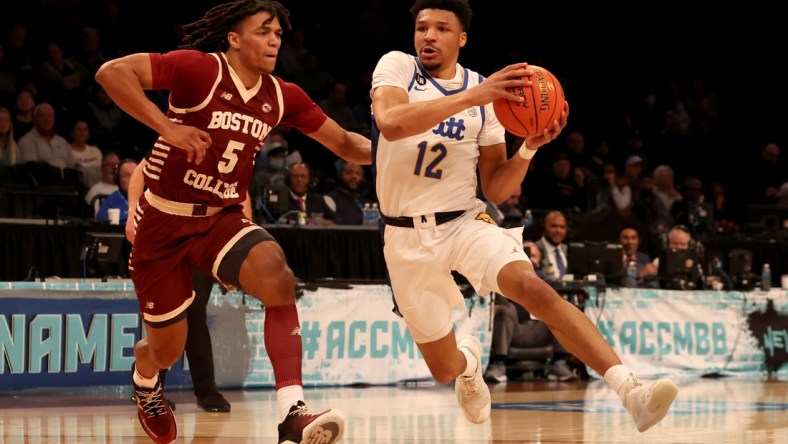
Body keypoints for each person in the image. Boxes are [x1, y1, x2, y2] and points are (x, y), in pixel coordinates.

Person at [370, 0, 677, 432]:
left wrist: (529, 146)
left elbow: (495, 187)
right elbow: (391, 123)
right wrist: (473, 96)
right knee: (443, 368)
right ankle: (470, 363)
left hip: (463, 221)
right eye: (422, 28)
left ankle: (632, 392)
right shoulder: (399, 68)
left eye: (441, 28)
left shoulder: (485, 95)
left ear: (462, 38)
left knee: (535, 290)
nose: (429, 36)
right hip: (404, 237)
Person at [95, 1, 370, 443]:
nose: (274, 39)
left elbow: (346, 144)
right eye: (263, 31)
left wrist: (401, 142)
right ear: (234, 38)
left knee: (276, 275)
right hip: (163, 223)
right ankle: (146, 382)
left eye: (278, 33)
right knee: (166, 349)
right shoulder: (198, 70)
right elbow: (111, 73)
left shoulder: (283, 95)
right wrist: (168, 127)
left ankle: (291, 414)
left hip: (219, 218)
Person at [126, 159, 231, 413]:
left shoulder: (231, 147)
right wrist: (131, 213)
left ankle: (206, 391)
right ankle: (150, 387)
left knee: (195, 317)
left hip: (202, 238)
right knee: (165, 318)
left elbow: (242, 197)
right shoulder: (179, 135)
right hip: (164, 236)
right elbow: (141, 171)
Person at [484, 242, 577, 383]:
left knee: (561, 309)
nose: (530, 259)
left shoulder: (549, 282)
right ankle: (499, 363)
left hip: (542, 330)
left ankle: (559, 363)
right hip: (515, 331)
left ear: (539, 260)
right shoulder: (505, 278)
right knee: (505, 310)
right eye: (526, 255)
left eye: (533, 255)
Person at [96, 158, 137, 224]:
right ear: (118, 180)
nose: (133, 179)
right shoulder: (111, 202)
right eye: (127, 175)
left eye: (136, 174)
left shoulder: (150, 199)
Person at [534, 211, 570, 282]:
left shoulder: (567, 250)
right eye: (554, 226)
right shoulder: (535, 249)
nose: (558, 230)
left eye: (562, 227)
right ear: (544, 227)